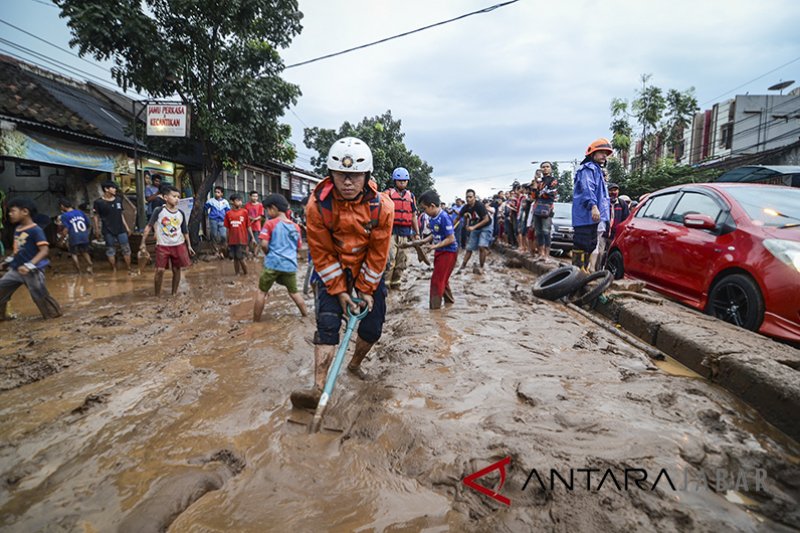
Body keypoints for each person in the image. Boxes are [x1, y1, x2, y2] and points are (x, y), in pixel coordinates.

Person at [290, 137, 394, 409]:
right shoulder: (317, 206)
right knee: (327, 325)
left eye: (355, 176)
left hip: (367, 270)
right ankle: (318, 388)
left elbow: (378, 253)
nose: (348, 182)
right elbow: (321, 253)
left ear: (366, 175)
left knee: (372, 329)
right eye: (342, 175)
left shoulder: (382, 207)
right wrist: (339, 291)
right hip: (332, 268)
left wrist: (365, 290)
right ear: (331, 175)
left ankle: (354, 364)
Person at [0, 197, 62, 320]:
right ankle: (2, 316)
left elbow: (44, 251)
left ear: (25, 212)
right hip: (16, 269)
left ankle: (53, 315)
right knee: (1, 290)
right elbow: (18, 249)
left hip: (33, 271)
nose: (10, 214)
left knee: (39, 295)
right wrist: (6, 262)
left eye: (13, 211)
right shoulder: (17, 230)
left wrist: (29, 265)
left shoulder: (36, 230)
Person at [253, 193, 307, 321]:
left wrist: (268, 254)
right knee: (294, 292)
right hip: (290, 265)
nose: (267, 213)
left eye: (267, 210)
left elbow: (264, 244)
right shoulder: (296, 227)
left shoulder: (270, 224)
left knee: (262, 292)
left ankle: (255, 322)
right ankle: (305, 316)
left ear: (273, 208)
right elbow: (298, 248)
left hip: (272, 264)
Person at [139, 185, 195, 296]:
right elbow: (148, 226)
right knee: (159, 270)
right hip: (162, 245)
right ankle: (157, 295)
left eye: (178, 197)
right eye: (174, 196)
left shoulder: (181, 214)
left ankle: (174, 293)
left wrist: (189, 246)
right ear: (165, 197)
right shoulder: (158, 211)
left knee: (177, 269)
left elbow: (185, 231)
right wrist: (142, 243)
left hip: (178, 244)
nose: (177, 199)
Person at [572, 138, 611, 272]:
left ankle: (584, 272)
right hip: (585, 216)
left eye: (606, 153)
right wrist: (593, 206)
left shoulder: (597, 171)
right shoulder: (587, 169)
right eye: (601, 152)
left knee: (591, 245)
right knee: (581, 245)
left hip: (594, 217)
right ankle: (576, 273)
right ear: (592, 154)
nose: (604, 155)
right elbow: (587, 189)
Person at [415, 190, 457, 309]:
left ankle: (435, 311)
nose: (424, 212)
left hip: (449, 252)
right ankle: (449, 304)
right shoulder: (433, 218)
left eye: (424, 208)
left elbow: (451, 238)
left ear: (432, 206)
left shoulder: (444, 217)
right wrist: (423, 241)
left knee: (436, 281)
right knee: (443, 279)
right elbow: (435, 234)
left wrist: (434, 246)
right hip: (440, 251)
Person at [384, 167, 420, 289]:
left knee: (401, 260)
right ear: (395, 181)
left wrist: (417, 233)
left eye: (404, 181)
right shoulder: (388, 194)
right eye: (400, 181)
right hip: (391, 232)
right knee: (390, 259)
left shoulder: (411, 196)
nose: (402, 183)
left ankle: (396, 283)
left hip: (405, 232)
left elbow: (414, 216)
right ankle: (386, 285)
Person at [93, 180, 133, 273]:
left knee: (126, 248)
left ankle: (129, 268)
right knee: (110, 249)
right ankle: (114, 269)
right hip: (107, 230)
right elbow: (96, 216)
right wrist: (97, 230)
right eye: (113, 188)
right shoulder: (98, 202)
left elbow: (121, 214)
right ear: (106, 189)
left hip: (121, 228)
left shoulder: (118, 199)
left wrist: (127, 227)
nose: (115, 189)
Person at [455, 189, 492, 274]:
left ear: (474, 197)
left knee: (482, 246)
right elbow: (457, 218)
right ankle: (463, 266)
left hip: (486, 226)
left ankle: (481, 267)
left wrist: (473, 227)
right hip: (475, 228)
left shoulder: (480, 205)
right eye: (467, 197)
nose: (468, 199)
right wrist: (450, 228)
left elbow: (486, 219)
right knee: (469, 248)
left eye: (470, 197)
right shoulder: (465, 207)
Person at [595, 182, 631, 270]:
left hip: (615, 235)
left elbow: (626, 219)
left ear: (618, 192)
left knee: (611, 254)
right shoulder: (604, 203)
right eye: (611, 190)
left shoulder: (622, 204)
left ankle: (608, 271)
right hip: (604, 232)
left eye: (615, 190)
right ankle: (597, 271)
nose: (613, 192)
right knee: (599, 253)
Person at [58, 198, 93, 274]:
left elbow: (66, 229)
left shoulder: (64, 216)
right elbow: (88, 224)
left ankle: (78, 271)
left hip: (74, 236)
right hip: (84, 235)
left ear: (62, 206)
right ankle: (90, 265)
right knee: (85, 251)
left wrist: (61, 239)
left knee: (73, 253)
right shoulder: (80, 212)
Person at [532, 161, 558, 260]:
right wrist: (535, 180)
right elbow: (533, 195)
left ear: (551, 169)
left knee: (546, 231)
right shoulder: (538, 181)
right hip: (537, 207)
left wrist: (540, 193)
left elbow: (551, 194)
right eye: (543, 167)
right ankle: (541, 253)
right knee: (538, 232)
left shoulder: (553, 180)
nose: (545, 168)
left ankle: (547, 255)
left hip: (547, 208)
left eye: (547, 167)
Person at [224, 194, 250, 276]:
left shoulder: (244, 212)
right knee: (235, 258)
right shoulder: (228, 213)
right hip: (232, 240)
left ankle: (246, 273)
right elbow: (227, 229)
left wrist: (252, 238)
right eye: (237, 200)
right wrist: (226, 240)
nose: (240, 202)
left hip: (241, 239)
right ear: (232, 202)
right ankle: (237, 273)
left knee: (240, 257)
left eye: (240, 200)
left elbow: (248, 226)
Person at [205, 186, 230, 258]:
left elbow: (228, 212)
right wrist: (208, 215)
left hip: (222, 220)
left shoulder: (225, 202)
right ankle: (216, 251)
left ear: (222, 193)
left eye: (218, 192)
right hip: (213, 220)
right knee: (214, 235)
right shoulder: (211, 201)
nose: (216, 193)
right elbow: (205, 208)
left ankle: (222, 250)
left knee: (223, 236)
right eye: (215, 192)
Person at [246, 190, 265, 257]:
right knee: (247, 241)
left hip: (257, 225)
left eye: (256, 196)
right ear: (250, 196)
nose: (255, 198)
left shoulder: (260, 205)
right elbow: (245, 214)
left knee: (256, 241)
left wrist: (255, 219)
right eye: (253, 196)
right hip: (248, 225)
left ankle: (255, 254)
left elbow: (261, 215)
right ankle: (247, 254)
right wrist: (250, 218)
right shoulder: (247, 205)